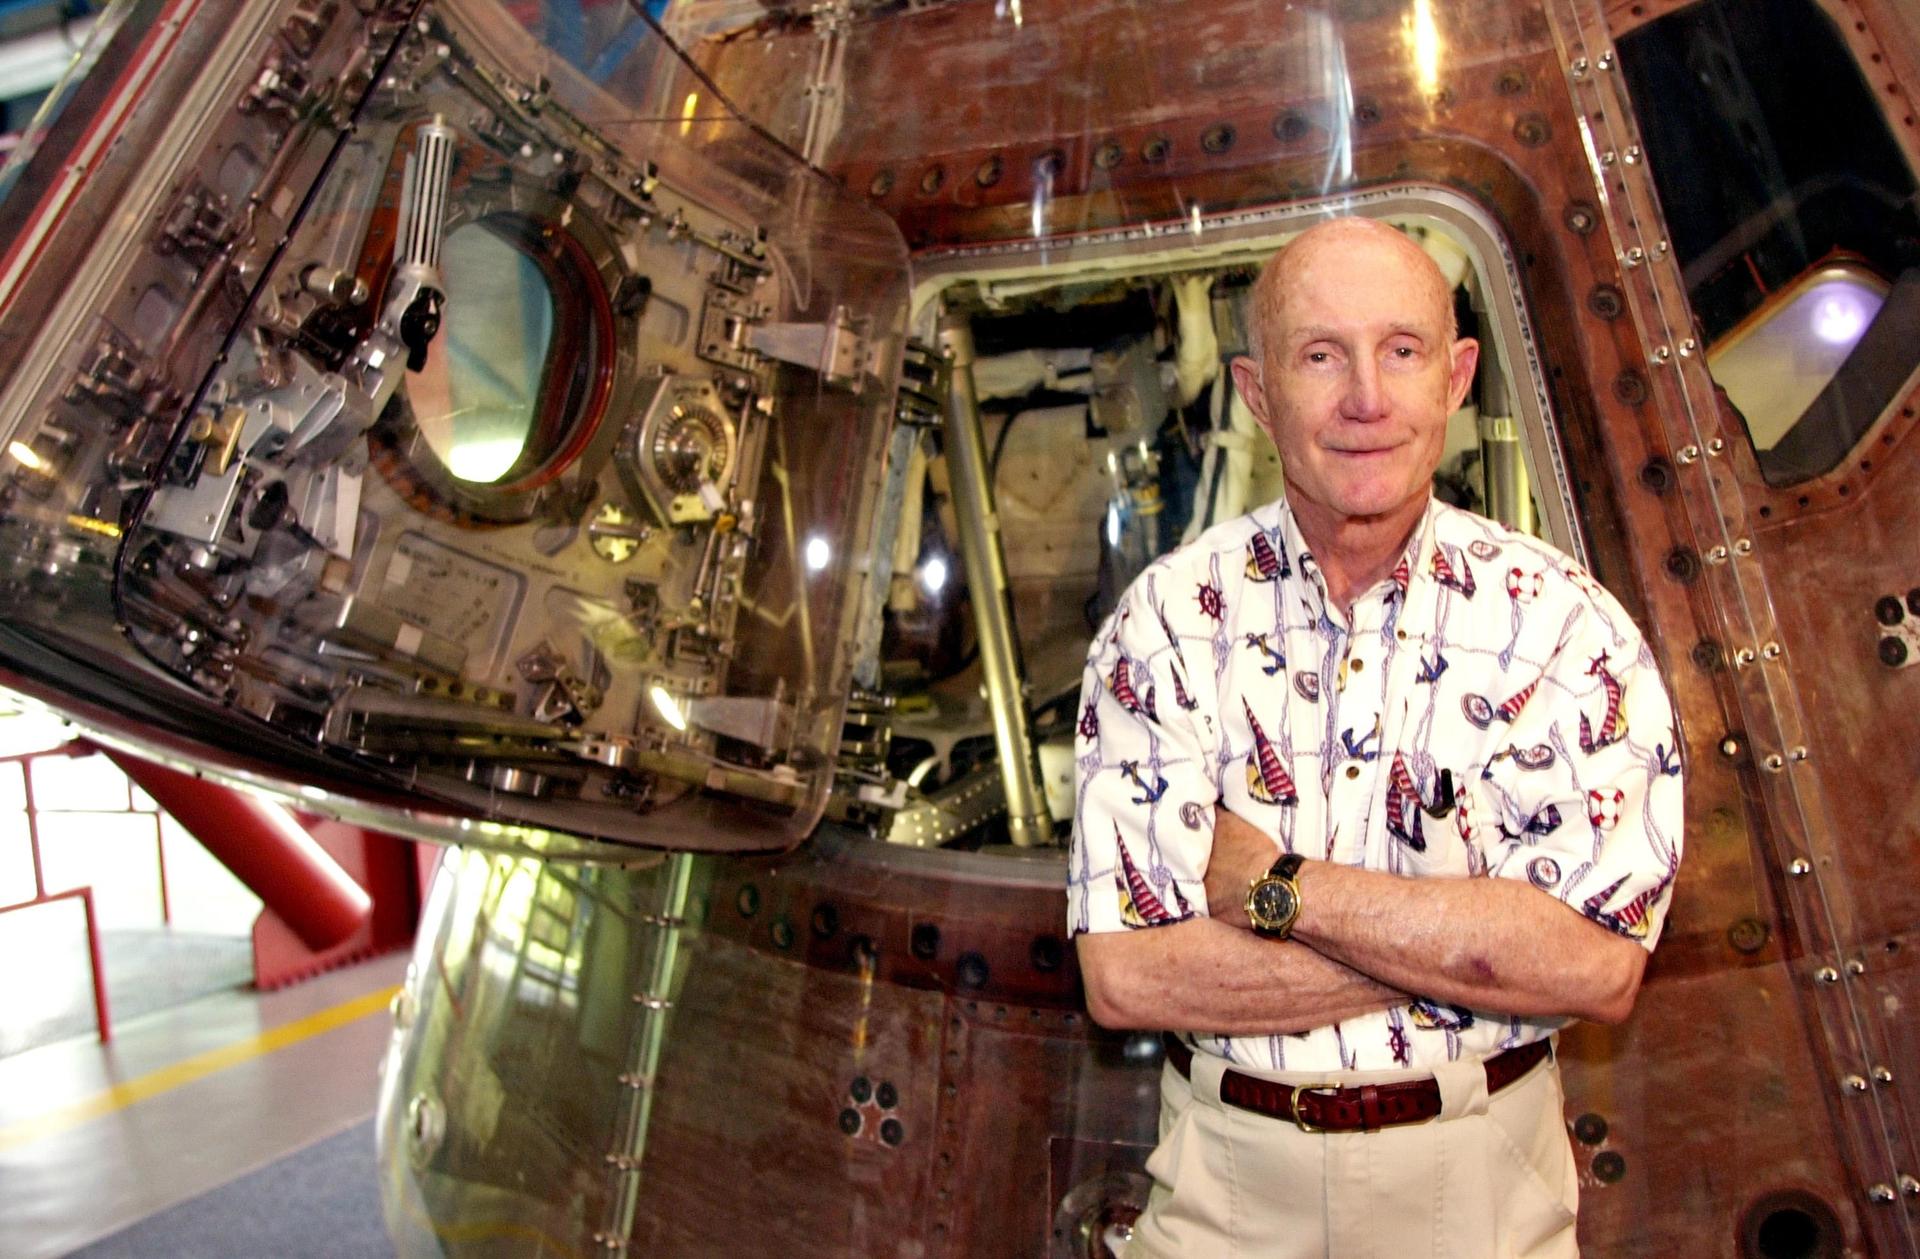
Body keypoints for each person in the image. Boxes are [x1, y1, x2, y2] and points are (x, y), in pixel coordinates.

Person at [1068, 217, 1683, 1258]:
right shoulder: (1164, 626)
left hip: (1480, 1187)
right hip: (1223, 1192)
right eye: (1321, 356)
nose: (1366, 397)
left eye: (1402, 350)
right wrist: (1475, 944)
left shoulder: (1563, 630)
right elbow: (1129, 976)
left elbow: (1594, 968)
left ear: (1456, 377)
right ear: (1258, 394)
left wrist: (1276, 888)